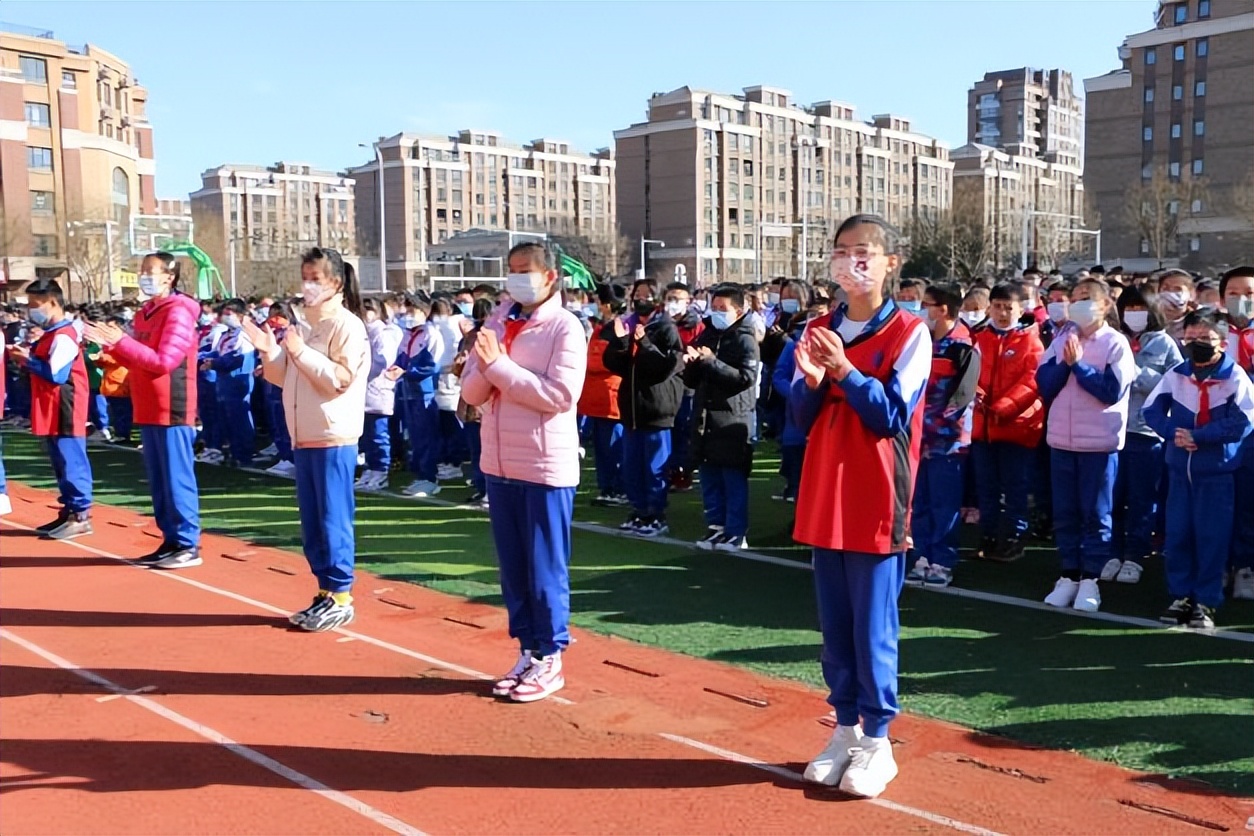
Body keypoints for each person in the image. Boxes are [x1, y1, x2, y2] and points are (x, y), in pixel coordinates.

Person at [790, 215, 931, 798]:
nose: (852, 262)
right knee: (836, 626)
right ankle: (844, 728)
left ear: (891, 262)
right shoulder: (818, 327)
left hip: (876, 495)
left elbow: (892, 415)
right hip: (826, 490)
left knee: (873, 626)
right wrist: (811, 381)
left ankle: (877, 739)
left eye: (864, 251)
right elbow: (799, 418)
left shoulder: (910, 332)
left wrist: (845, 371)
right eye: (842, 251)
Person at [460, 242, 587, 703]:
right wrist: (485, 363)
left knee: (544, 568)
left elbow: (559, 396)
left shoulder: (564, 327)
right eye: (511, 271)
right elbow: (472, 393)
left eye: (525, 271)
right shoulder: (497, 322)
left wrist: (498, 366)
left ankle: (551, 655)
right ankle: (528, 649)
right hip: (500, 463)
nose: (517, 279)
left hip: (544, 465)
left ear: (550, 276)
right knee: (514, 570)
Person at [245, 247, 369, 632]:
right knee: (313, 522)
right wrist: (271, 352)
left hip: (333, 435)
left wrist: (300, 352)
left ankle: (342, 595)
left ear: (336, 282)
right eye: (305, 278)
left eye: (316, 278)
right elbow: (287, 377)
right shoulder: (306, 326)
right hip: (305, 435)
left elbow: (339, 380)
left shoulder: (346, 326)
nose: (308, 285)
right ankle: (325, 589)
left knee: (333, 518)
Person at [85, 255, 203, 567]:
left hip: (172, 404)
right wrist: (111, 346)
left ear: (169, 276)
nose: (143, 277)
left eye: (150, 271)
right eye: (142, 271)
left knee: (176, 477)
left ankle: (187, 543)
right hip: (147, 403)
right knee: (159, 479)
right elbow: (138, 357)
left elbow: (164, 361)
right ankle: (171, 539)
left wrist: (121, 342)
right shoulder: (145, 313)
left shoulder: (178, 312)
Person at [1143, 310, 1254, 629]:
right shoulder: (1177, 374)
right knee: (1178, 534)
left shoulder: (1234, 378)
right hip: (1179, 471)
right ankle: (1181, 594)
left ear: (1222, 342)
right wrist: (1173, 432)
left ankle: (1206, 600)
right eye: (1191, 338)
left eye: (1205, 338)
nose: (1197, 344)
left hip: (1216, 474)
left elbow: (1243, 422)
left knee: (1212, 538)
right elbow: (1151, 410)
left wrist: (1201, 436)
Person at [1036, 278, 1135, 613]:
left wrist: (1079, 365)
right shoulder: (1062, 339)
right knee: (1065, 513)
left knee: (1096, 514)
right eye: (1075, 298)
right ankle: (1069, 574)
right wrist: (1066, 362)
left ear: (1105, 305)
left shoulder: (1115, 343)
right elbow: (1045, 384)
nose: (1078, 304)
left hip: (1099, 444)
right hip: (1062, 441)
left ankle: (1091, 578)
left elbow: (1111, 391)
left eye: (1086, 298)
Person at [907, 282, 979, 587]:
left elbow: (963, 397)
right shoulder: (921, 341)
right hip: (918, 437)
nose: (921, 309)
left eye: (927, 304)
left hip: (948, 441)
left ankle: (943, 561)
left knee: (944, 504)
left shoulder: (963, 346)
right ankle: (922, 556)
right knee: (920, 501)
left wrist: (934, 428)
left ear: (944, 309)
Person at [10, 280, 93, 539]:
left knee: (71, 459)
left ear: (53, 302)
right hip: (52, 406)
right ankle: (69, 509)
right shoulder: (51, 334)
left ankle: (80, 514)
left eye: (35, 305)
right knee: (60, 461)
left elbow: (56, 375)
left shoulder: (64, 335)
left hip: (66, 405)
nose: (31, 311)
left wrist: (27, 360)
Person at [1108, 288, 1181, 584]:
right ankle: (1112, 552)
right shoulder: (1114, 338)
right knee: (1112, 497)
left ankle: (1135, 555)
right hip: (1111, 430)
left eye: (1140, 307)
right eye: (1129, 308)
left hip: (1146, 433)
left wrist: (1136, 373)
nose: (1134, 313)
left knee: (1141, 499)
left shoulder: (1164, 343)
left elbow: (1175, 384)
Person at [602, 279, 685, 536]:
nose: (641, 299)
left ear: (657, 299)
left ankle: (656, 513)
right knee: (632, 465)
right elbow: (614, 364)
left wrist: (645, 344)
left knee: (654, 466)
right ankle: (638, 510)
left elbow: (666, 367)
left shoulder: (666, 328)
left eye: (647, 295)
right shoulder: (627, 326)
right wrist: (620, 342)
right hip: (631, 408)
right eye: (637, 294)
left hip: (656, 408)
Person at [969, 284, 1045, 562]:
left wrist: (1005, 407)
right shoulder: (978, 338)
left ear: (1021, 310)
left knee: (1015, 485)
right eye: (997, 307)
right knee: (986, 485)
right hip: (983, 426)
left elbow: (1032, 380)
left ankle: (1015, 536)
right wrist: (974, 392)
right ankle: (988, 535)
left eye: (1008, 308)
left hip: (1017, 425)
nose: (1002, 313)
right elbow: (969, 372)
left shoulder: (1031, 341)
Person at [684, 284, 760, 552]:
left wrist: (711, 361)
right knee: (709, 476)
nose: (716, 313)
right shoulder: (707, 335)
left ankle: (736, 531)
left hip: (732, 420)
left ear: (738, 311)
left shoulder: (744, 339)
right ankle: (715, 526)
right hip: (705, 418)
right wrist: (692, 363)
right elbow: (692, 380)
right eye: (713, 307)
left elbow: (745, 378)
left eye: (722, 308)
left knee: (732, 478)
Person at [1219, 265, 1254, 600]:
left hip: (1251, 432)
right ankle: (1218, 563)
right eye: (1233, 293)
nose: (1241, 299)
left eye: (1249, 294)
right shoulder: (1211, 332)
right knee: (1217, 501)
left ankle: (1245, 565)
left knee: (1247, 500)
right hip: (1216, 430)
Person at [580, 284, 627, 507]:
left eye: (598, 301)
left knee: (613, 446)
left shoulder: (618, 329)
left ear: (607, 304)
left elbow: (608, 362)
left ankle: (618, 488)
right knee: (602, 448)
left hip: (611, 398)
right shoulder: (601, 327)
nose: (595, 305)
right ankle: (607, 487)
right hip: (597, 398)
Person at [392, 297, 444, 498]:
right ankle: (420, 475)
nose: (408, 314)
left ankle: (430, 478)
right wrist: (396, 369)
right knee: (414, 436)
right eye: (407, 309)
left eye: (412, 309)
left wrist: (407, 372)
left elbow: (433, 366)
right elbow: (400, 359)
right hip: (407, 392)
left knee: (426, 436)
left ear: (425, 310)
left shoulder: (432, 334)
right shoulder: (408, 334)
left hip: (425, 393)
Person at [357, 297, 403, 491]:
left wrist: (360, 369)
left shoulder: (383, 333)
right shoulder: (363, 332)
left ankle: (381, 470)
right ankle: (370, 468)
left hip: (378, 389)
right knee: (367, 435)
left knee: (378, 434)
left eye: (370, 309)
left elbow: (383, 361)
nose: (366, 313)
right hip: (363, 390)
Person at [204, 300, 256, 467]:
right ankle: (233, 451)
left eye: (229, 313)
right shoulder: (226, 334)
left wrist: (215, 363)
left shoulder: (243, 335)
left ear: (240, 315)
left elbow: (237, 358)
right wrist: (204, 359)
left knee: (239, 418)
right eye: (224, 313)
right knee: (226, 418)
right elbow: (217, 352)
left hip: (237, 379)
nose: (225, 316)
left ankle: (244, 454)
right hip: (223, 380)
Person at [664, 281, 703, 492]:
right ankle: (668, 470)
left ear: (688, 302)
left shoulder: (697, 327)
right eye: (670, 298)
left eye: (677, 299)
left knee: (684, 429)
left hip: (687, 386)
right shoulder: (660, 324)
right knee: (668, 429)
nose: (673, 303)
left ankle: (683, 472)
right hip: (664, 385)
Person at [261, 302, 297, 478]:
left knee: (286, 421)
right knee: (277, 420)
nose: (274, 319)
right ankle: (283, 455)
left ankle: (291, 459)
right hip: (273, 381)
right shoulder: (274, 333)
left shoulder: (292, 333)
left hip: (286, 381)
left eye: (279, 315)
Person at [95, 316, 133, 444]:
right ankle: (119, 432)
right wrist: (99, 359)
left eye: (111, 327)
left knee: (123, 410)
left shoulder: (124, 342)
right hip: (110, 382)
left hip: (121, 382)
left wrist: (102, 357)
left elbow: (120, 359)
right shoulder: (108, 344)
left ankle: (123, 434)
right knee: (116, 410)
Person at [1157, 269, 1197, 343]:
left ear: (1191, 294)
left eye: (1177, 289)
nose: (1170, 293)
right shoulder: (1150, 320)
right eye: (1165, 288)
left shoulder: (1197, 322)